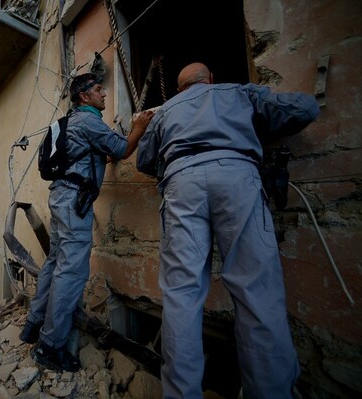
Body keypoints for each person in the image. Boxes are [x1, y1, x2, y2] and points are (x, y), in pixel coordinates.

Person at [136, 62, 319, 398]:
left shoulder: (167, 110)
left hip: (181, 186)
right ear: (210, 80)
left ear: (180, 90)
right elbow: (305, 109)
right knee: (256, 293)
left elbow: (144, 160)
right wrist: (248, 129)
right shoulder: (237, 92)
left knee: (181, 296)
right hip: (238, 178)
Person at [19, 72, 154, 372]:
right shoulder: (90, 121)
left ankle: (33, 325)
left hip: (61, 197)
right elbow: (122, 149)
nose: (103, 94)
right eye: (97, 89)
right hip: (73, 202)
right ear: (84, 96)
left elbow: (86, 156)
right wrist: (139, 127)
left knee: (55, 263)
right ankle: (50, 346)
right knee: (72, 272)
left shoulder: (72, 123)